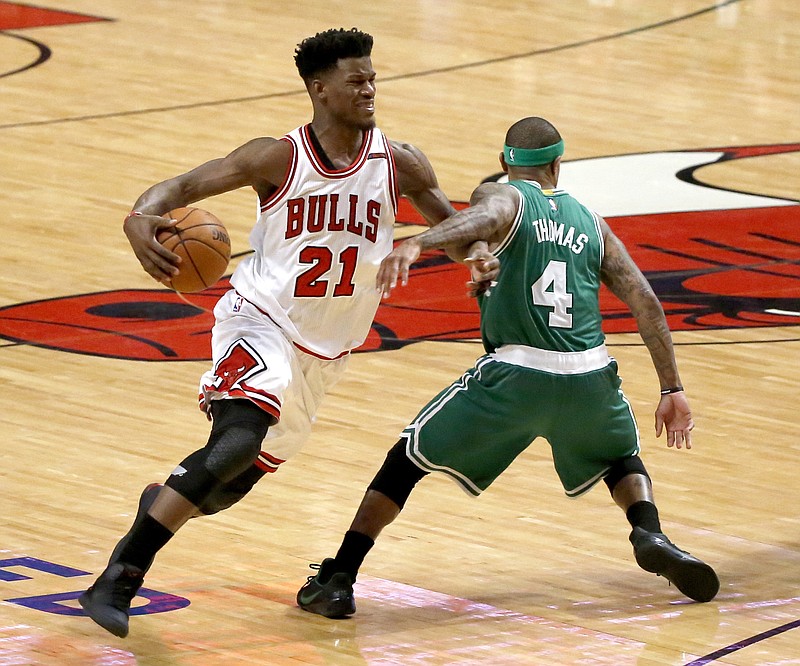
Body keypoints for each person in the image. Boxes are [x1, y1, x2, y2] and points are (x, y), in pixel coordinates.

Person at [79, 27, 495, 638]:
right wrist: (140, 217)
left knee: (223, 490)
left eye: (373, 78)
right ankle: (118, 578)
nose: (369, 88)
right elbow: (185, 187)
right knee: (236, 443)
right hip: (261, 317)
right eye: (356, 80)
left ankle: (163, 501)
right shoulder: (277, 157)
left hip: (325, 353)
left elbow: (457, 227)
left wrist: (479, 253)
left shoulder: (399, 162)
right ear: (318, 89)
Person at [296, 116, 720, 619]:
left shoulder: (506, 196)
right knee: (619, 458)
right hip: (590, 375)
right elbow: (646, 301)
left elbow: (484, 215)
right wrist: (672, 386)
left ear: (505, 164)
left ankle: (339, 576)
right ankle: (649, 532)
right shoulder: (591, 221)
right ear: (558, 164)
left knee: (405, 461)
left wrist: (419, 243)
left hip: (517, 372)